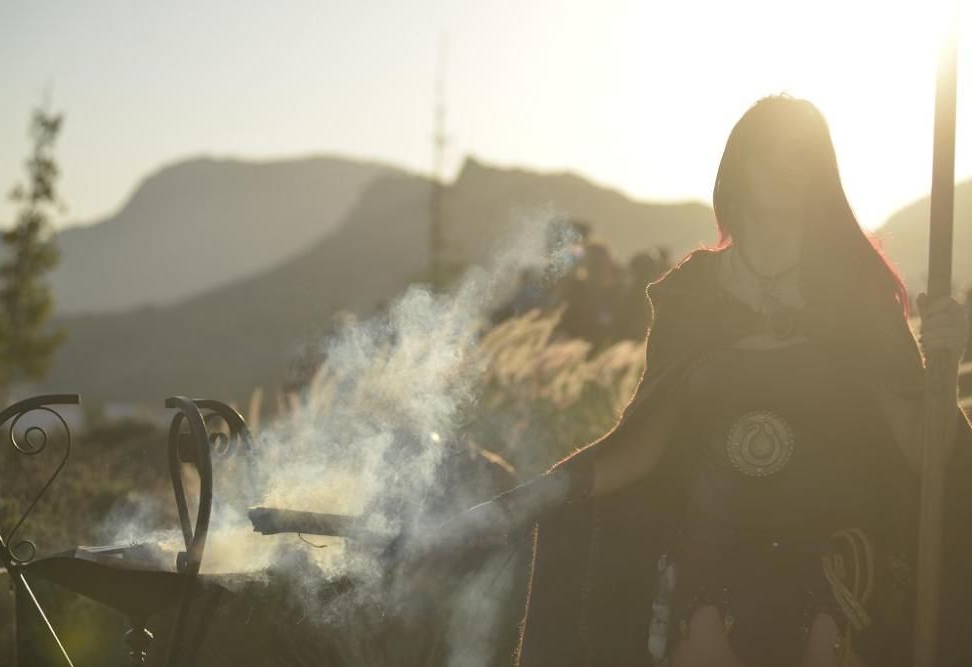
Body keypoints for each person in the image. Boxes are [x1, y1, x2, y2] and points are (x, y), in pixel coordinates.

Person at [398, 94, 972, 666]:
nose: (783, 167)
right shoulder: (693, 295)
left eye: (800, 154)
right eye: (768, 151)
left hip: (829, 549)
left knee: (822, 638)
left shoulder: (855, 293)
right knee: (701, 635)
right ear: (738, 166)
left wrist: (943, 368)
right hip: (714, 546)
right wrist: (529, 498)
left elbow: (923, 452)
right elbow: (645, 441)